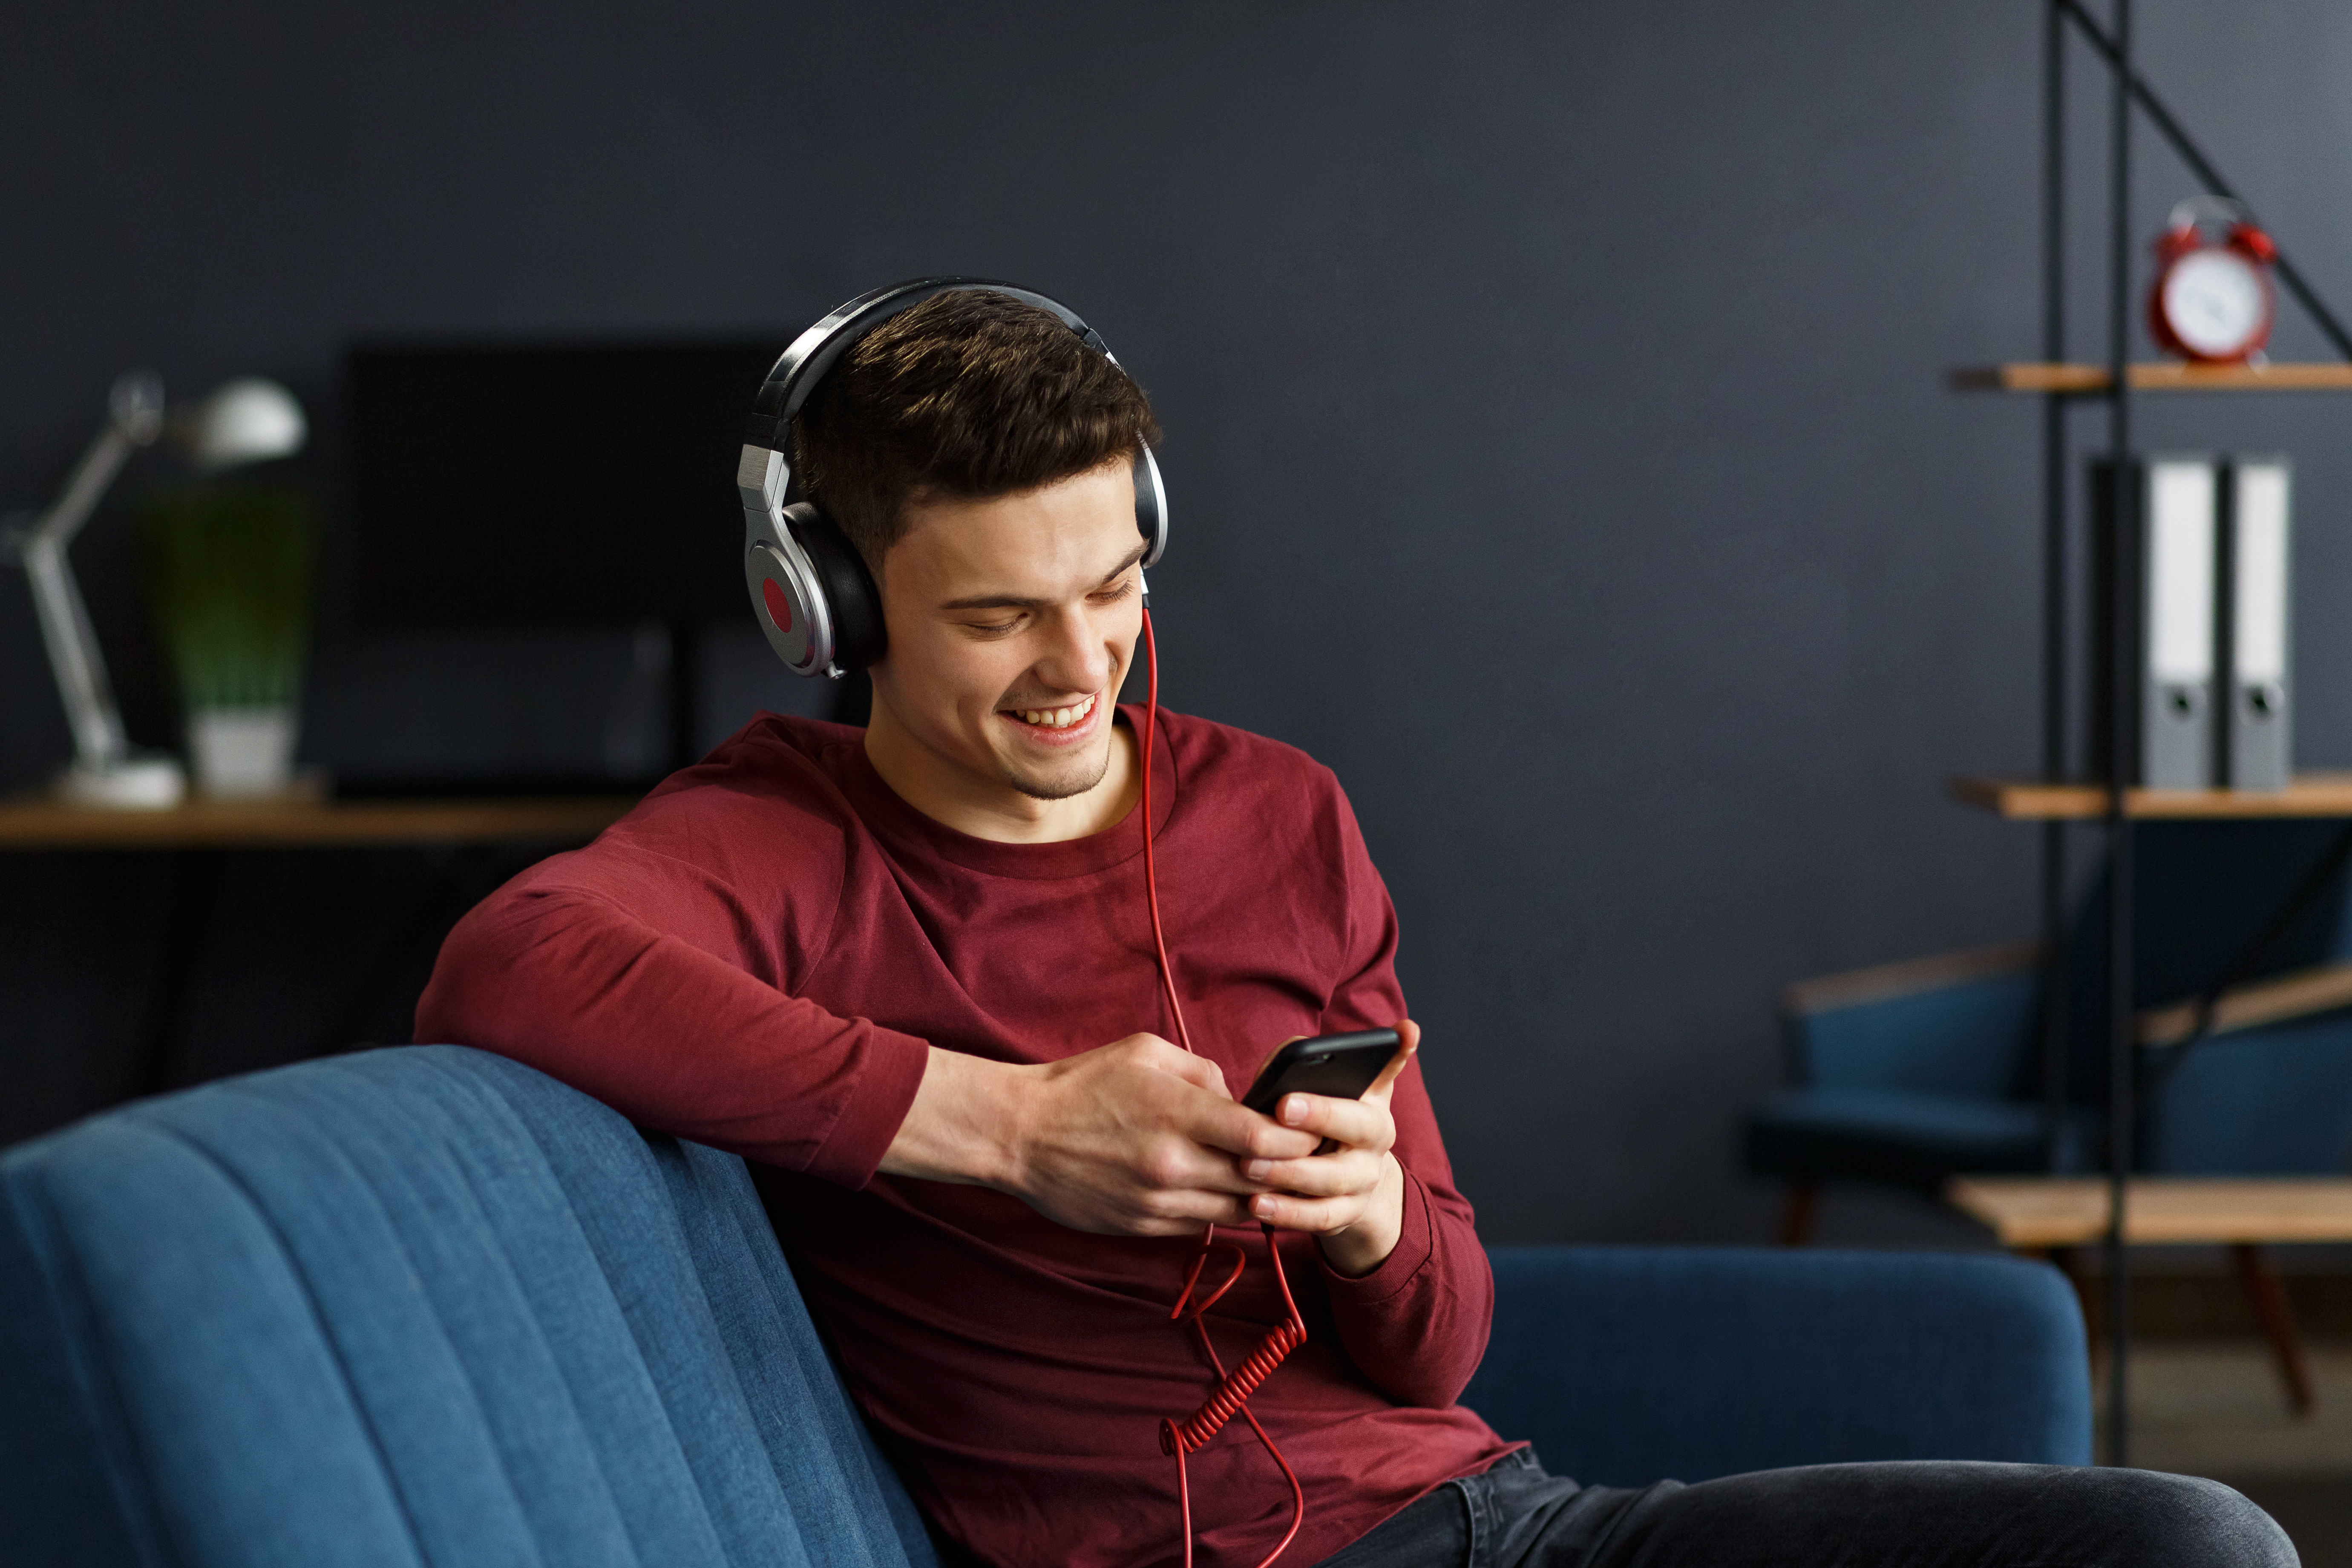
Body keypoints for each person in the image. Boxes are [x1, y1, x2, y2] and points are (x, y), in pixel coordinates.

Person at [417, 289, 2295, 1568]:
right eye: (1000, 615)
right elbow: (504, 969)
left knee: (2194, 1542)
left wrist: (1383, 1222)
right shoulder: (774, 838)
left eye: (1116, 583)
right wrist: (1008, 1126)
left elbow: (1441, 1352)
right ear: (826, 604)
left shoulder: (1275, 809)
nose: (1083, 664)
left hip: (1503, 1528)